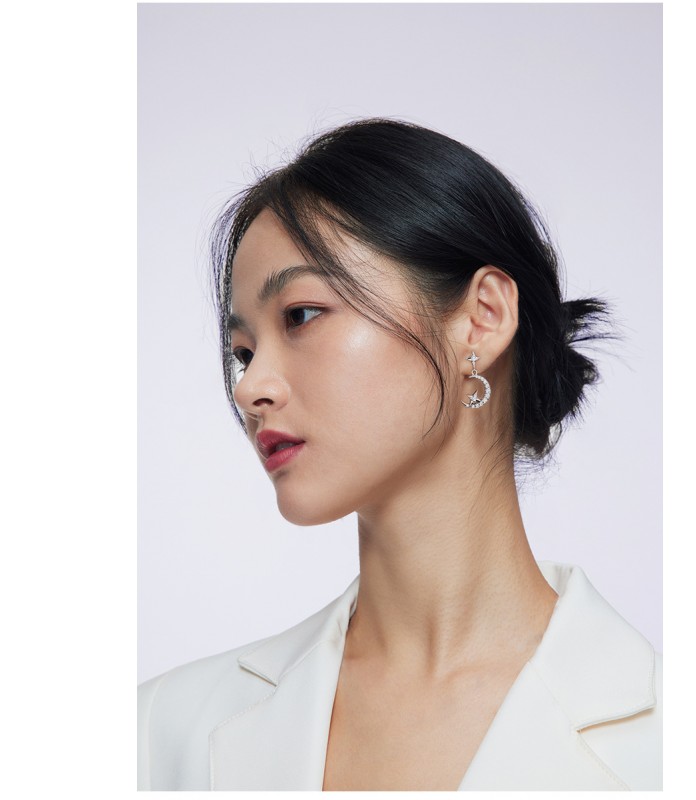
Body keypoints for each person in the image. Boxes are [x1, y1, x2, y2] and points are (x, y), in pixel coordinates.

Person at [137, 118, 662, 791]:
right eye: (243, 352)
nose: (251, 388)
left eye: (301, 315)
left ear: (482, 319)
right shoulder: (159, 732)